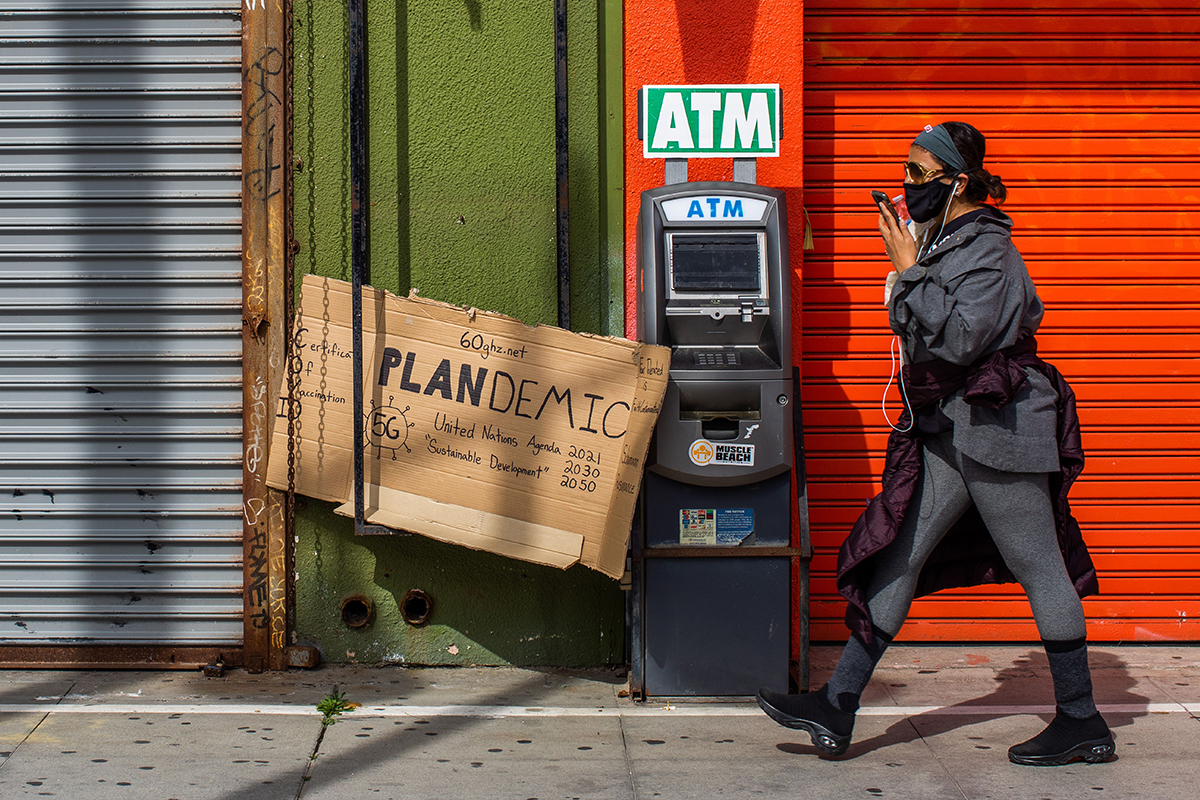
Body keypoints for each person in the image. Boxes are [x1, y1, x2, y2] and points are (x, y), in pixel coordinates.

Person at [757, 121, 1115, 766]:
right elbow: (923, 334)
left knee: (1040, 565)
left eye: (919, 174)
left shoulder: (990, 252)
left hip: (1000, 427)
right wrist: (914, 269)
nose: (906, 185)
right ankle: (837, 708)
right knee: (901, 554)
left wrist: (908, 271)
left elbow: (961, 340)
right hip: (954, 426)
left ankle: (1082, 720)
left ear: (958, 180)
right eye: (906, 172)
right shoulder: (945, 240)